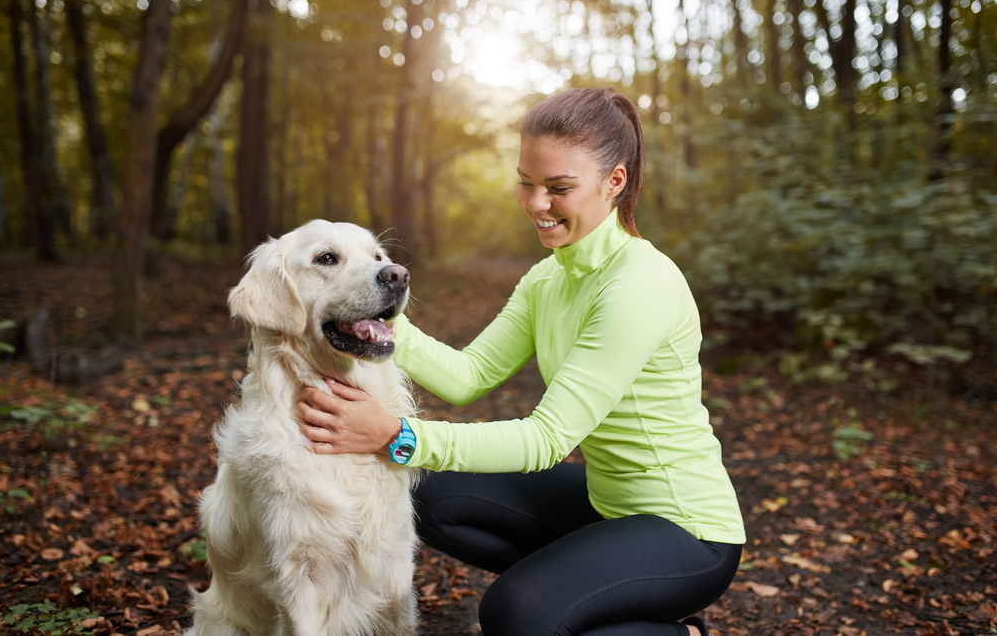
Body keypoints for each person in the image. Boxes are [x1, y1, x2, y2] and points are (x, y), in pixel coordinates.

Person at [299, 87, 746, 636]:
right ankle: (588, 597)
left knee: (515, 615)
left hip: (687, 531)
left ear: (615, 181)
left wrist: (398, 435)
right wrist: (385, 324)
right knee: (425, 495)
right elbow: (468, 377)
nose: (537, 203)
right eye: (526, 183)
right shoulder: (549, 277)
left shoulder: (639, 284)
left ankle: (666, 630)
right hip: (606, 504)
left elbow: (546, 440)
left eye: (559, 188)